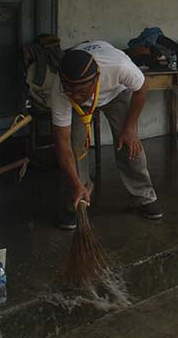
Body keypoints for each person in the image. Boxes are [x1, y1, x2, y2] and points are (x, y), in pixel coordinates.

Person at [51, 40, 162, 229]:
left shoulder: (119, 66)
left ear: (97, 79)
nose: (76, 95)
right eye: (70, 90)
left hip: (115, 95)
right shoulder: (61, 91)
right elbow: (63, 145)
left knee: (129, 144)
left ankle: (144, 197)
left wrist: (129, 128)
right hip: (78, 109)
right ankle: (77, 201)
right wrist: (77, 184)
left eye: (81, 91)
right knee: (76, 147)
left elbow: (141, 89)